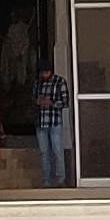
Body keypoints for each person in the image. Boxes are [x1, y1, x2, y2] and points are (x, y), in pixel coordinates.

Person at [34, 55, 71, 187]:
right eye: (42, 73)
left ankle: (61, 179)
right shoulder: (38, 83)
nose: (43, 75)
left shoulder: (60, 82)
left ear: (50, 71)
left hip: (55, 122)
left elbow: (65, 102)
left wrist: (52, 103)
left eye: (46, 72)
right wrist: (38, 101)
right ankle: (46, 180)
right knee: (44, 152)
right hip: (41, 122)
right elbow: (34, 99)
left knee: (57, 150)